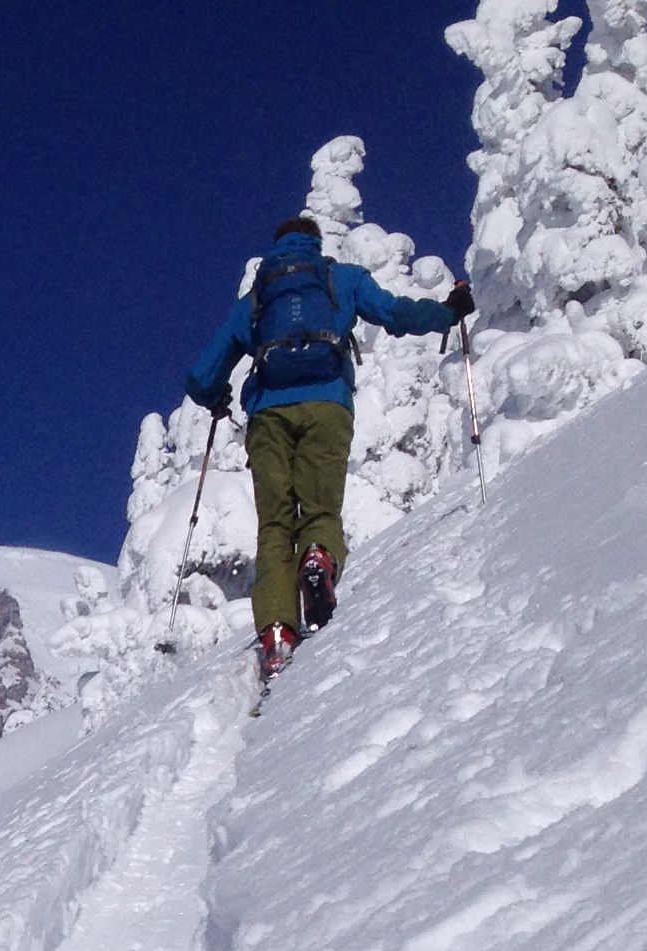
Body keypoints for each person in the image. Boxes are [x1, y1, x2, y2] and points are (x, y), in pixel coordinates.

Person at [187, 216, 472, 685]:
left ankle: (277, 634)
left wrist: (216, 398)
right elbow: (395, 314)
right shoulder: (342, 278)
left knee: (275, 524)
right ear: (316, 245)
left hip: (268, 418)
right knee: (321, 508)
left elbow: (201, 376)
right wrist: (448, 310)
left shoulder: (256, 298)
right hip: (327, 405)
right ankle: (318, 557)